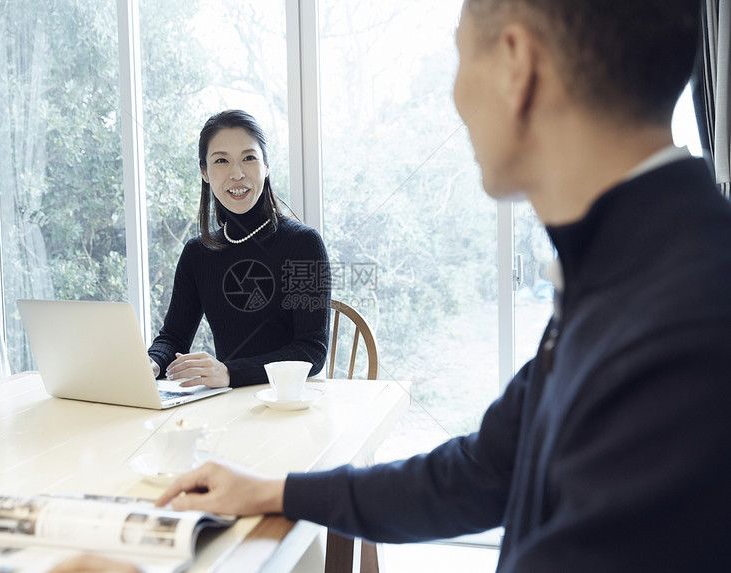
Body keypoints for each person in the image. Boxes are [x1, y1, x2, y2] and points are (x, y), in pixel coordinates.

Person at [51, 0, 731, 571]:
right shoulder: (632, 263)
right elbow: (477, 473)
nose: (454, 94)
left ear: (517, 64)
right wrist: (271, 489)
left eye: (459, 53)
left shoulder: (683, 324)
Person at [146, 110, 330, 389]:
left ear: (266, 166)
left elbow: (311, 351)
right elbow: (173, 337)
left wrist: (230, 373)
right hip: (230, 405)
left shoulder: (303, 244)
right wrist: (152, 363)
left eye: (249, 158)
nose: (237, 173)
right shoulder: (197, 254)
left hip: (290, 402)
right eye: (221, 160)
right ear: (205, 173)